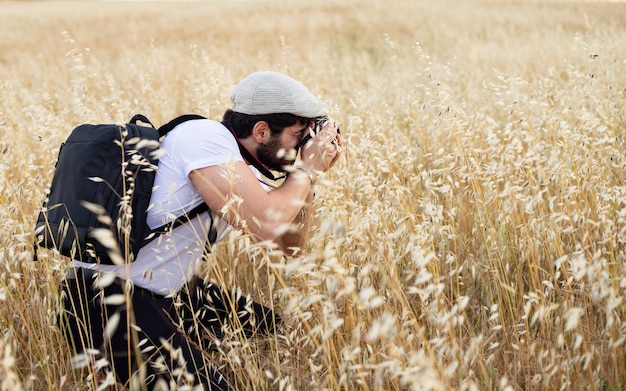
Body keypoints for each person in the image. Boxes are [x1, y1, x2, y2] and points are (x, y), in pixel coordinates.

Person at [59, 71, 343, 390]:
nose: (303, 144)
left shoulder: (239, 165)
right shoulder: (205, 138)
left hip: (163, 295)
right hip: (107, 299)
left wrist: (308, 179)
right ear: (262, 131)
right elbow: (266, 226)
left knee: (273, 333)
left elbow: (287, 247)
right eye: (298, 133)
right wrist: (305, 170)